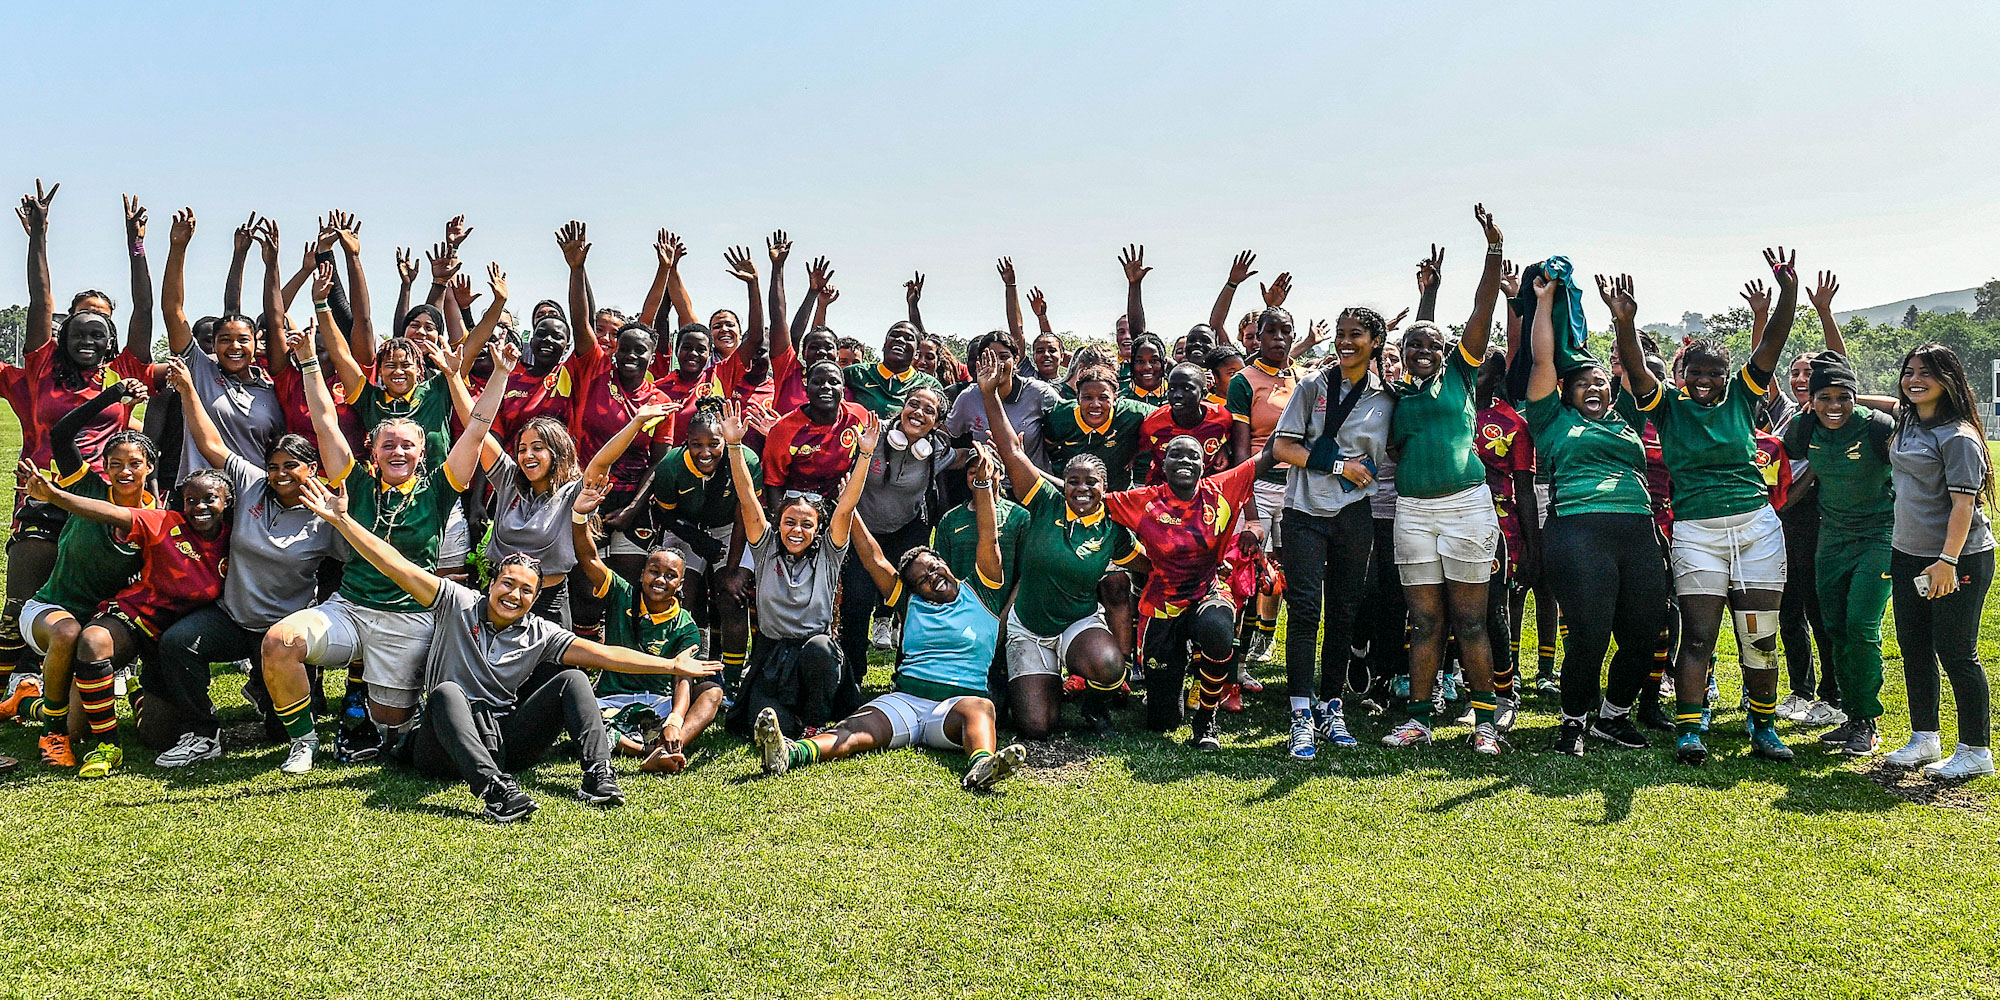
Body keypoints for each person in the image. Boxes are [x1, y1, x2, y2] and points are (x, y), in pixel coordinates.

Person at [291, 476, 716, 822]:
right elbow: (395, 564)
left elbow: (603, 655)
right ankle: (495, 791)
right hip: (443, 744)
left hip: (505, 737)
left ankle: (598, 776)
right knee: (446, 693)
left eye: (526, 591)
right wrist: (344, 522)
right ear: (491, 582)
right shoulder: (455, 604)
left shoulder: (540, 632)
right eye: (508, 584)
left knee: (571, 677)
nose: (514, 595)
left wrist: (670, 664)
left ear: (535, 598)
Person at [257, 319, 513, 774]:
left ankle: (392, 719)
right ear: (373, 450)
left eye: (408, 446)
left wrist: (499, 374)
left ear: (422, 452)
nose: (398, 452)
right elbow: (323, 420)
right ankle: (304, 742)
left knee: (391, 725)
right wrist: (309, 363)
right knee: (280, 642)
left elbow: (476, 428)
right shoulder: (354, 481)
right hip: (351, 608)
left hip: (407, 617)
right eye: (388, 444)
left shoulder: (439, 489)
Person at [1620, 249, 1801, 765]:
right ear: (1682, 376)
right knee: (1697, 635)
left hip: (1756, 528)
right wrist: (1625, 323)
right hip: (1697, 531)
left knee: (1758, 636)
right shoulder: (1669, 407)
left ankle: (1763, 729)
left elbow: (1774, 341)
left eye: (1712, 373)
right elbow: (1634, 369)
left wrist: (1787, 290)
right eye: (1694, 373)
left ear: (1728, 376)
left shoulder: (1745, 396)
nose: (1703, 380)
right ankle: (1689, 731)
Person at [752, 471, 1028, 792]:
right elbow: (873, 558)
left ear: (944, 562)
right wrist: (850, 509)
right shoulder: (911, 604)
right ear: (914, 589)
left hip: (956, 706)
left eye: (934, 567)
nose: (932, 577)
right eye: (922, 579)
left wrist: (982, 487)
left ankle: (981, 765)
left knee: (980, 710)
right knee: (855, 730)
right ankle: (788, 753)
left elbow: (989, 538)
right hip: (907, 700)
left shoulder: (984, 591)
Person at [147, 348, 349, 769]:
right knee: (177, 644)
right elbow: (210, 443)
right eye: (274, 465)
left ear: (311, 469)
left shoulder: (326, 513)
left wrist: (343, 520)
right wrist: (187, 390)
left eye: (291, 466)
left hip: (281, 634)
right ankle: (203, 733)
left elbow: (352, 561)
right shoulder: (253, 483)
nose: (279, 474)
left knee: (280, 731)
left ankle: (267, 688)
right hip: (233, 618)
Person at [0, 184, 159, 702]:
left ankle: (98, 675)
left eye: (99, 334)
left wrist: (137, 246)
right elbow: (40, 298)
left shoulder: (125, 371)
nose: (88, 341)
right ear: (62, 335)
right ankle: (16, 681)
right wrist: (39, 235)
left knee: (99, 598)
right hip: (45, 495)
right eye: (78, 332)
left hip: (103, 500)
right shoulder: (41, 365)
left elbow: (142, 307)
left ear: (113, 342)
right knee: (24, 597)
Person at [1521, 273, 1669, 757]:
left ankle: (1613, 717)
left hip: (1638, 532)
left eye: (1599, 380)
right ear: (1564, 392)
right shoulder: (1551, 420)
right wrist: (1544, 303)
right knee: (1589, 634)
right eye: (1580, 381)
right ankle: (1572, 724)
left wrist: (1623, 319)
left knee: (1645, 631)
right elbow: (1545, 359)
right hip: (1577, 532)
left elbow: (1633, 367)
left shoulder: (1630, 417)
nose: (1592, 385)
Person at [1379, 205, 1508, 753]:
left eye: (1434, 345)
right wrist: (1425, 297)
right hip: (1412, 512)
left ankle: (1483, 723)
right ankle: (1418, 718)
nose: (1425, 352)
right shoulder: (1394, 395)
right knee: (1426, 621)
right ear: (1404, 353)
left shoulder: (1461, 371)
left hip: (1466, 507)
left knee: (1471, 621)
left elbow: (1481, 308)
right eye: (1415, 346)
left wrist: (1493, 251)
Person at [16, 460, 231, 777]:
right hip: (134, 620)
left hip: (170, 642)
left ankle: (135, 691)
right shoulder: (162, 522)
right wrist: (55, 496)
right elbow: (103, 512)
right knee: (91, 643)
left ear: (227, 502)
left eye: (209, 499)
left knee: (157, 737)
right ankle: (107, 745)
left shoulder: (236, 538)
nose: (200, 507)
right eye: (191, 500)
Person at [980, 356, 1137, 739]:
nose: (1081, 489)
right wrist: (989, 395)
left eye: (1091, 483)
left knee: (1108, 664)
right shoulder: (1045, 502)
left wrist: (1201, 568)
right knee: (1037, 726)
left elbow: (1149, 564)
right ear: (1062, 484)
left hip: (1076, 624)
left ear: (1104, 488)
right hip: (1029, 627)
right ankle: (1039, 677)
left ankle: (1096, 708)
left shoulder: (1114, 528)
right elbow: (1013, 453)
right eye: (1073, 482)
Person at [9, 389, 159, 768]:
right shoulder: (86, 487)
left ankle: (26, 701)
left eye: (135, 463)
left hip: (99, 625)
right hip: (51, 611)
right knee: (67, 632)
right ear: (105, 467)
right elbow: (61, 435)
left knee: (82, 728)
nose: (125, 471)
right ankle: (52, 736)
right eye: (116, 463)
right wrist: (115, 396)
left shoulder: (157, 516)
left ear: (149, 468)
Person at [1268, 307, 1394, 759]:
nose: (1345, 341)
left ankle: (1331, 706)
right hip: (1304, 510)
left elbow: (1398, 443)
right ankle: (1300, 713)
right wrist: (1339, 465)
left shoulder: (1387, 396)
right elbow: (1282, 446)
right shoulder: (1311, 385)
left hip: (1354, 513)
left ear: (1375, 341)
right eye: (1340, 334)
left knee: (1343, 610)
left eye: (1356, 334)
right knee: (1304, 610)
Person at [1878, 342, 1996, 779]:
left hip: (1957, 558)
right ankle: (1924, 737)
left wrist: (1947, 561)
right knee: (1914, 648)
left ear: (1949, 380)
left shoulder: (1960, 438)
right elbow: (1886, 399)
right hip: (1908, 554)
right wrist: (1842, 391)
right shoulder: (1908, 420)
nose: (1915, 380)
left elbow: (1963, 507)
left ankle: (1976, 750)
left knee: (1956, 651)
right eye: (1909, 371)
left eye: (1926, 373)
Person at [723, 399, 875, 738]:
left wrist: (864, 455)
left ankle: (816, 721)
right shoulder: (765, 550)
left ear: (817, 530)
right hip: (772, 654)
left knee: (820, 649)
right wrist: (734, 445)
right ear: (779, 524)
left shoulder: (828, 554)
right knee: (766, 720)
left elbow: (847, 506)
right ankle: (788, 726)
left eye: (806, 525)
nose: (796, 530)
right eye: (790, 522)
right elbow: (748, 497)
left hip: (814, 658)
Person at [1102, 439, 1265, 750]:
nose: (1185, 461)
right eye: (1175, 455)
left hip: (1207, 592)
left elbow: (1268, 455)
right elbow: (1086, 494)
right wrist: (1018, 458)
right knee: (1162, 722)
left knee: (1217, 629)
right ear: (1163, 465)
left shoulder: (1219, 490)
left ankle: (1206, 719)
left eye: (1194, 455)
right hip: (1161, 606)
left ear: (1204, 465)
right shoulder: (1145, 501)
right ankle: (1170, 680)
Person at [1782, 342, 1893, 757]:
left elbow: (1904, 406)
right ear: (1810, 400)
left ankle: (1866, 719)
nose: (1834, 406)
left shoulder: (1879, 426)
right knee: (1834, 628)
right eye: (1824, 397)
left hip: (1880, 535)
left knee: (1861, 626)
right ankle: (1851, 717)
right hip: (1832, 538)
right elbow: (1780, 460)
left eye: (1842, 397)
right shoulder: (1803, 428)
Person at [570, 477, 709, 773]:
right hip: (611, 700)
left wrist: (674, 721)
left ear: (681, 584)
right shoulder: (622, 594)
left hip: (659, 704)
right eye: (653, 571)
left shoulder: (686, 625)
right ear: (642, 573)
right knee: (582, 712)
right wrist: (580, 517)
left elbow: (683, 679)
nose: (660, 579)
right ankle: (648, 752)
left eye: (670, 575)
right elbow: (588, 557)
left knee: (712, 694)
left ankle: (670, 743)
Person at [620, 400, 757, 685]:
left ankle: (731, 680)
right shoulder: (671, 466)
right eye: (697, 444)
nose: (705, 452)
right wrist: (698, 541)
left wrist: (732, 570)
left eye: (714, 443)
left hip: (731, 530)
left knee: (732, 596)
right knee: (685, 591)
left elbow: (745, 514)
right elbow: (666, 515)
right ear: (686, 442)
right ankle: (692, 668)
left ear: (724, 440)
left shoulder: (746, 459)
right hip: (686, 530)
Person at [844, 385, 958, 680]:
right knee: (857, 599)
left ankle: (907, 674)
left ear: (937, 422)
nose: (918, 412)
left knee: (913, 602)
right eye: (913, 404)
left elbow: (962, 457)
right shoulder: (873, 432)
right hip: (863, 529)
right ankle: (852, 678)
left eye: (929, 410)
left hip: (907, 530)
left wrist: (984, 452)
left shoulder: (937, 450)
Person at [162, 207, 286, 477]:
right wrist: (178, 248)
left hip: (255, 498)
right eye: (225, 340)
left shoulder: (271, 386)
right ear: (214, 344)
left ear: (256, 342)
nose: (234, 347)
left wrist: (271, 265)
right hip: (202, 496)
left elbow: (276, 319)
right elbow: (173, 310)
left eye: (243, 339)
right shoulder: (199, 370)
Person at [1227, 305, 1299, 666]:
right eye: (1271, 332)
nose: (1279, 339)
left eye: (1286, 332)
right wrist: (1249, 505)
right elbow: (1241, 452)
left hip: (1298, 487)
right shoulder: (1244, 380)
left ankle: (1267, 643)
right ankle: (1234, 662)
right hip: (1257, 487)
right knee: (1248, 571)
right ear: (1259, 336)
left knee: (1285, 571)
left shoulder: (1304, 380)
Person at [944, 331, 1060, 481]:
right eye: (990, 358)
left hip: (1034, 486)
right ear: (979, 362)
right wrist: (968, 456)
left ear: (1016, 360)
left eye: (1004, 357)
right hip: (990, 487)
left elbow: (1067, 426)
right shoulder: (969, 397)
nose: (997, 363)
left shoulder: (1038, 392)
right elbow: (944, 435)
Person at [761, 361, 871, 500]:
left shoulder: (858, 416)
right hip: (799, 506)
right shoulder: (783, 430)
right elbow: (773, 483)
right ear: (806, 389)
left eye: (833, 382)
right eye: (817, 382)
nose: (825, 387)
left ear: (843, 390)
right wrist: (781, 519)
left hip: (841, 503)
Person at [1044, 365, 1154, 491]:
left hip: (1117, 494)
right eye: (1087, 397)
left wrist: (1138, 448)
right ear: (1077, 397)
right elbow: (1048, 445)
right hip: (1073, 495)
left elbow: (1166, 416)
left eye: (1103, 398)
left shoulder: (1132, 413)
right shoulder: (1060, 416)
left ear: (1115, 398)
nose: (1095, 404)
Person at [1139, 364, 1234, 486]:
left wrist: (1223, 447)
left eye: (1187, 388)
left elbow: (1229, 439)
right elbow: (1138, 448)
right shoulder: (1153, 425)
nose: (1177, 395)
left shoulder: (1221, 418)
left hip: (1206, 489)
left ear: (1203, 394)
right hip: (1162, 490)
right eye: (1172, 389)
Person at [844, 319, 942, 420]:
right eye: (894, 335)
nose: (900, 340)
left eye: (909, 338)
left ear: (916, 353)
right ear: (884, 346)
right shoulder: (854, 373)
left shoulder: (930, 384)